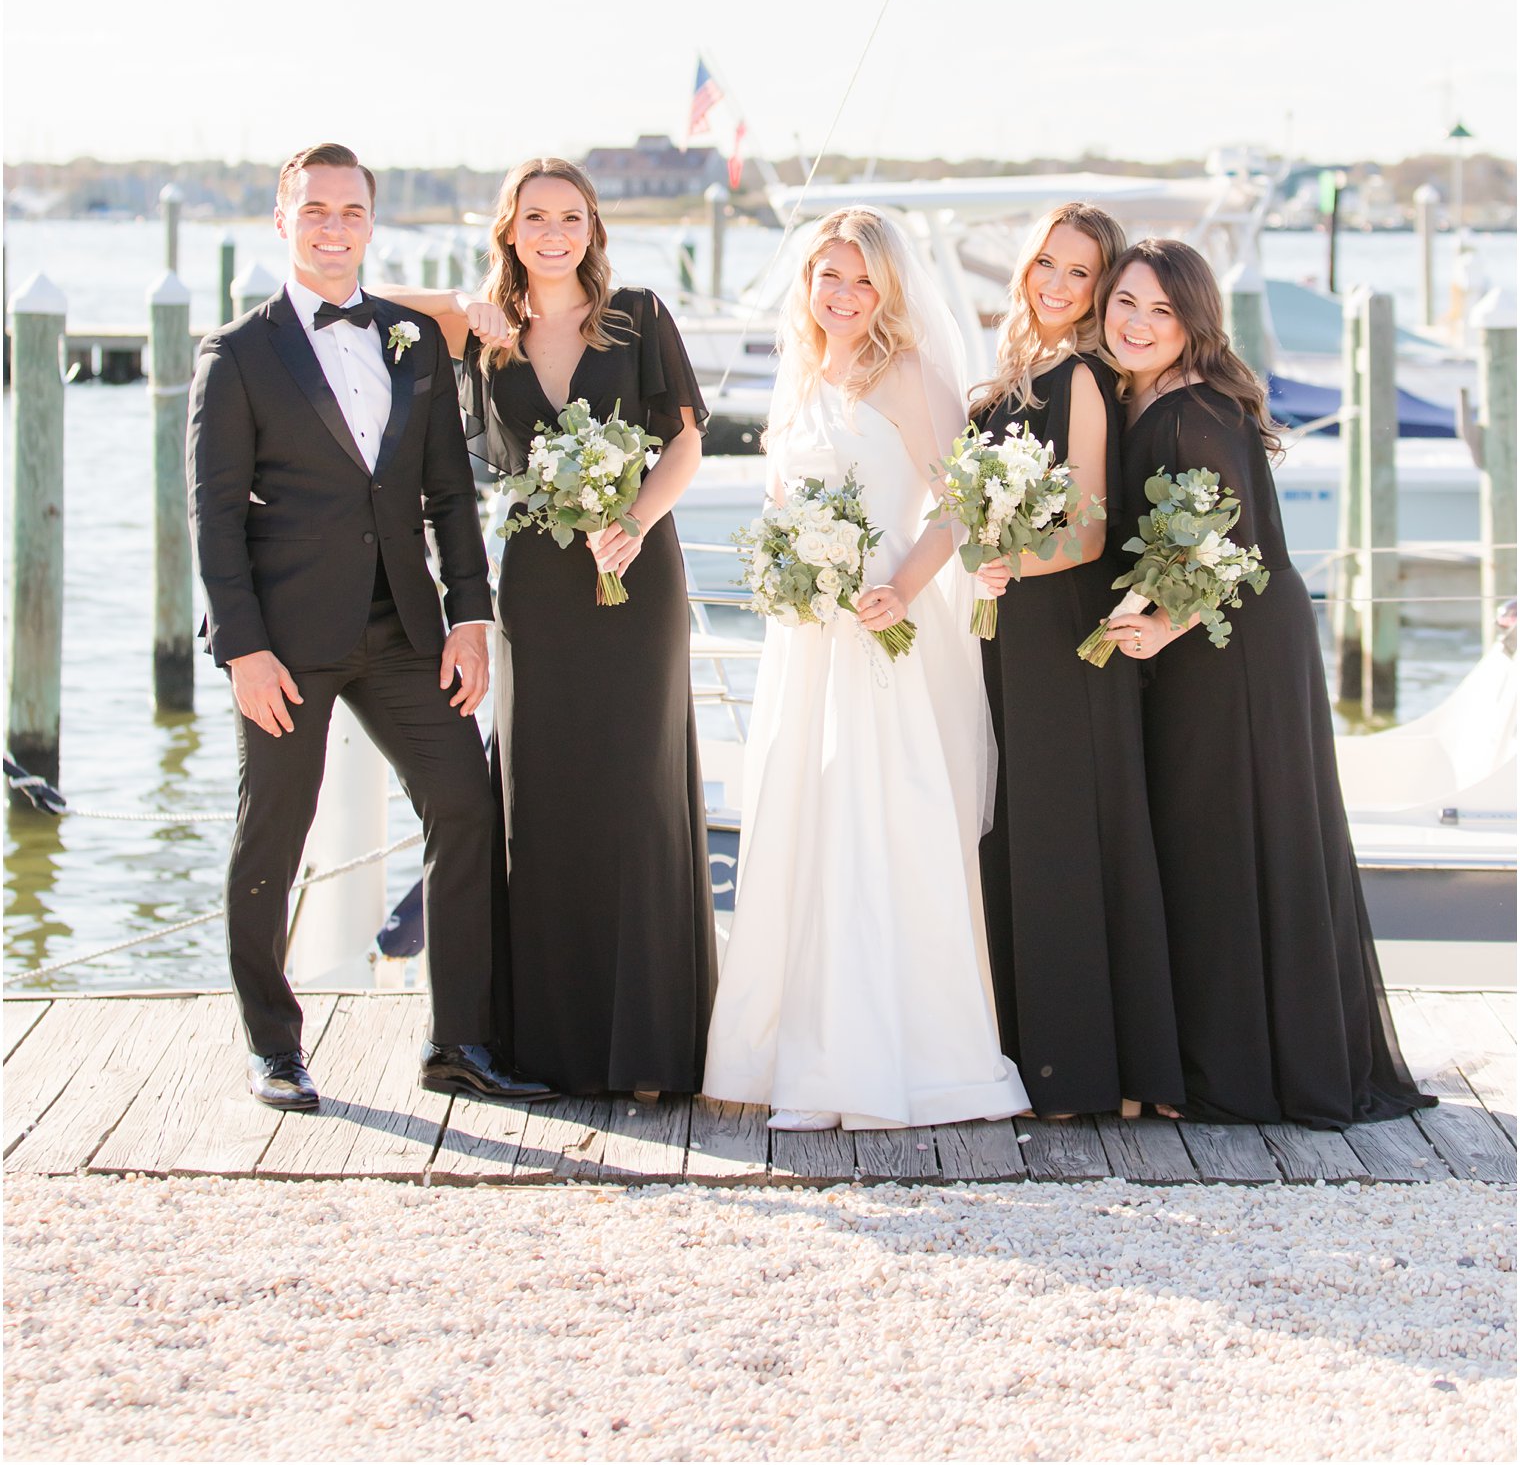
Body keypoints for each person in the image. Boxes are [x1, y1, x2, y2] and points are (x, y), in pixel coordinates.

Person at [188, 143, 549, 1113]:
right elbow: (212, 517)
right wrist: (242, 649)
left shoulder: (410, 341)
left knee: (466, 807)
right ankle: (273, 1048)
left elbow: (448, 494)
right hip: (284, 643)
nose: (333, 227)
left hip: (403, 632)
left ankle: (458, 1041)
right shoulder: (235, 354)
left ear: (369, 224)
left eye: (350, 212)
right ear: (281, 221)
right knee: (272, 834)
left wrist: (468, 618)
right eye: (314, 211)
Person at [378, 157, 715, 1098]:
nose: (555, 231)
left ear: (594, 226)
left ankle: (650, 1049)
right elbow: (355, 300)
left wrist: (638, 520)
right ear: (511, 229)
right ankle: (551, 1048)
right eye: (536, 217)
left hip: (635, 573)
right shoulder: (486, 333)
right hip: (535, 587)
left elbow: (686, 440)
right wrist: (460, 303)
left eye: (572, 215)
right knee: (543, 795)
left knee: (639, 791)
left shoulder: (639, 316)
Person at [702, 207, 1028, 1131]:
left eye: (860, 280)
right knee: (802, 816)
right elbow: (780, 502)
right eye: (827, 278)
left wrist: (895, 585)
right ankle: (788, 1050)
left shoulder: (915, 373)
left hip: (885, 622)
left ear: (887, 287)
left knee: (878, 817)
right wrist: (786, 570)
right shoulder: (801, 373)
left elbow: (960, 505)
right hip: (808, 637)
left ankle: (895, 1056)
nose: (842, 296)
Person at [1101, 239, 1435, 1129]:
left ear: (1193, 322)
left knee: (1231, 836)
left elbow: (1234, 542)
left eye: (1160, 311)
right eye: (1125, 301)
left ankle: (1241, 1071)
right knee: (1209, 835)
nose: (1136, 322)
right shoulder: (1143, 395)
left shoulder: (1194, 408)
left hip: (1234, 645)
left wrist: (1167, 620)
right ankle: (1229, 1054)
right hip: (1211, 638)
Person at [973, 204, 1184, 1120]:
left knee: (1067, 837)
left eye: (1080, 275)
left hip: (1064, 627)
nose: (1057, 286)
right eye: (1046, 266)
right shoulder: (1013, 371)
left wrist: (1009, 560)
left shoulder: (1086, 380)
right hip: (1011, 631)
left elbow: (1092, 529)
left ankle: (1089, 1071)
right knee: (1023, 829)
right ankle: (1035, 1052)